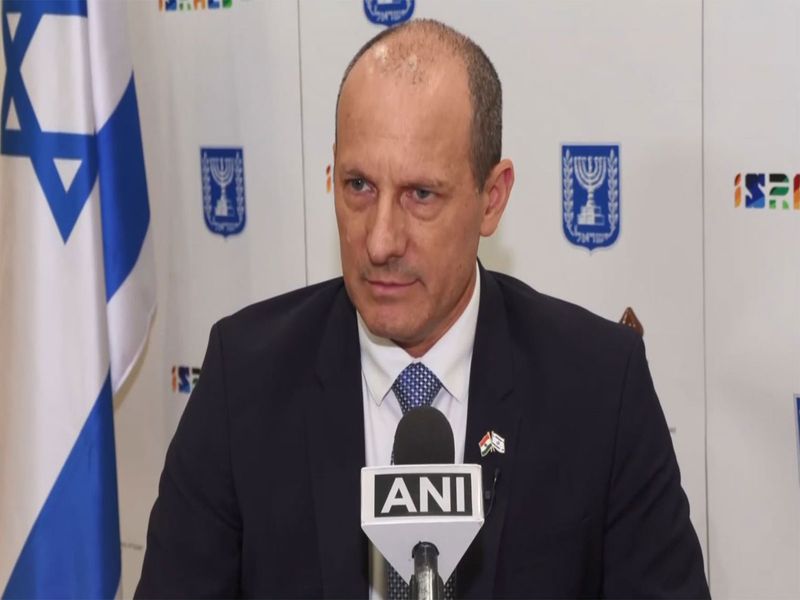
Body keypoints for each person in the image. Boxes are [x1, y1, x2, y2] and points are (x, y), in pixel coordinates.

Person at [135, 19, 709, 599]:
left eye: (421, 195)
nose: (380, 241)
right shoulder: (245, 380)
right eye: (359, 186)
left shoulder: (600, 388)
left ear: (492, 198)